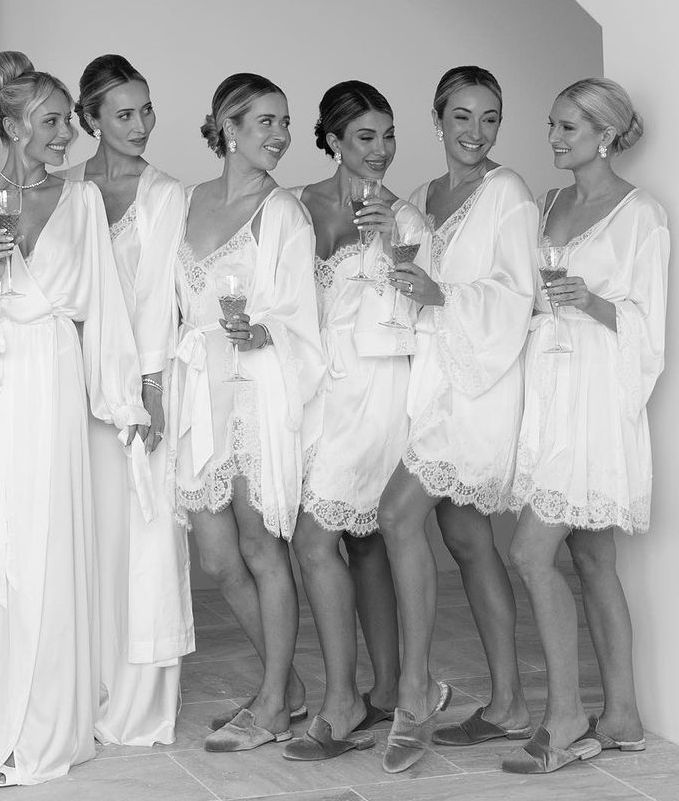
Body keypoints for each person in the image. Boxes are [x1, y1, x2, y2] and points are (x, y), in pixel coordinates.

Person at [0, 58, 149, 786]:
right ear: (12, 126)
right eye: (52, 121)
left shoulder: (82, 201)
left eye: (66, 120)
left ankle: (46, 720)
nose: (67, 134)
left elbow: (105, 304)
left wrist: (124, 399)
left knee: (47, 534)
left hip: (52, 375)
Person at [503, 79, 667, 774]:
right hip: (548, 391)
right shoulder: (549, 203)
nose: (554, 137)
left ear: (605, 134)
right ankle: (623, 717)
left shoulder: (641, 216)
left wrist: (593, 301)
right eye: (552, 124)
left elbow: (651, 332)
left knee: (530, 554)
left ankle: (566, 713)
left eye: (568, 127)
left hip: (595, 403)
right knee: (594, 559)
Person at [378, 66, 536, 773]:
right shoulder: (420, 199)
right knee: (468, 538)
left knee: (397, 515)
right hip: (430, 381)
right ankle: (509, 706)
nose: (477, 132)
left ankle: (415, 691)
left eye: (490, 118)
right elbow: (405, 287)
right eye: (463, 117)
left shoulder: (509, 194)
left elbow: (517, 294)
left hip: (478, 387)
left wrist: (441, 294)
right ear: (438, 119)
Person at [167, 73, 324, 753]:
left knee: (262, 547)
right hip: (199, 390)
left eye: (285, 122)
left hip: (254, 389)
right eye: (266, 121)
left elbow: (301, 314)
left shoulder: (282, 213)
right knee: (215, 554)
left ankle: (272, 704)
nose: (281, 135)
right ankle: (286, 687)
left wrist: (266, 333)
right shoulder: (186, 201)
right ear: (228, 127)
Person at [285, 81, 423, 762]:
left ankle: (341, 703)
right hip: (315, 389)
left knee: (315, 540)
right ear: (334, 140)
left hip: (376, 389)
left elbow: (420, 312)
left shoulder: (407, 218)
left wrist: (395, 243)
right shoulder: (293, 206)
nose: (382, 150)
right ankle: (388, 691)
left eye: (389, 135)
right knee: (362, 542)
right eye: (366, 136)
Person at [65, 53, 193, 746]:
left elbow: (156, 300)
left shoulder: (164, 193)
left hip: (140, 388)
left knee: (144, 533)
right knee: (88, 532)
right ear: (90, 119)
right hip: (71, 385)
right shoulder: (65, 187)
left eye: (146, 110)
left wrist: (149, 391)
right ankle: (82, 682)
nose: (141, 124)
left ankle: (138, 698)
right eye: (124, 114)